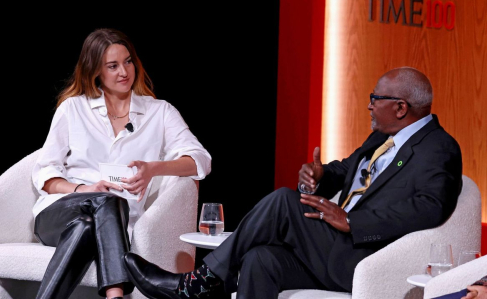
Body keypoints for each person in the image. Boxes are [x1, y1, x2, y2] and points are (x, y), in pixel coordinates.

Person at [123, 66, 463, 299]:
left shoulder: (439, 148)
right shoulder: (380, 138)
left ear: (401, 107)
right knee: (260, 259)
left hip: (365, 257)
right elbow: (344, 172)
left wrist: (352, 221)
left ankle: (199, 284)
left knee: (284, 201)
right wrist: (319, 177)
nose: (369, 106)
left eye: (376, 98)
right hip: (330, 247)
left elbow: (430, 209)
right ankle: (205, 284)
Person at [31, 28, 212, 299]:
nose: (124, 72)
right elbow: (44, 172)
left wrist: (153, 169)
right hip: (58, 213)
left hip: (107, 223)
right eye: (112, 66)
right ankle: (115, 296)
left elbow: (200, 160)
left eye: (128, 62)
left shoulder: (159, 111)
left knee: (88, 225)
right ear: (96, 72)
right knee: (106, 200)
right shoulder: (73, 109)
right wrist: (85, 189)